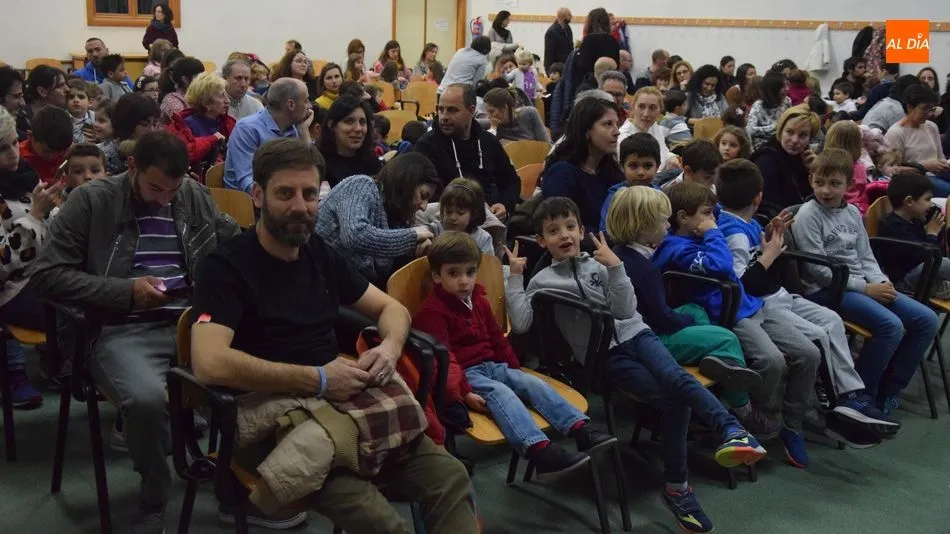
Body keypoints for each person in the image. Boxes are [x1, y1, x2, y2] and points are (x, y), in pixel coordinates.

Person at [188, 138, 478, 534]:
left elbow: (391, 309)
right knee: (380, 522)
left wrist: (390, 349)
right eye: (285, 193)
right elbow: (208, 362)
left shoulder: (318, 254)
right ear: (257, 195)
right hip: (271, 420)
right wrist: (319, 379)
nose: (300, 206)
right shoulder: (225, 267)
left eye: (309, 194)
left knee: (451, 478)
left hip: (343, 406)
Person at [507, 196, 767, 534]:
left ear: (582, 230)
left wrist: (616, 268)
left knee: (676, 379)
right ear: (542, 240)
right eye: (553, 231)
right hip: (605, 358)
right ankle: (682, 484)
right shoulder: (542, 280)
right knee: (675, 399)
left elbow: (626, 310)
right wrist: (515, 277)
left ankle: (730, 433)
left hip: (637, 334)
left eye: (570, 226)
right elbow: (522, 323)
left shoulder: (600, 263)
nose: (564, 235)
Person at [27, 132, 243, 534]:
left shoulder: (192, 195)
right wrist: (124, 292)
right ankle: (154, 495)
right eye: (155, 188)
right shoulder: (91, 201)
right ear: (131, 167)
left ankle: (238, 479)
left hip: (194, 324)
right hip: (121, 327)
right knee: (146, 401)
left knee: (260, 369)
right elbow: (47, 276)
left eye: (173, 190)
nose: (164, 199)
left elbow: (236, 246)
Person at [716, 159, 898, 440]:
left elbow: (757, 263)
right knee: (818, 335)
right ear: (758, 197)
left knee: (832, 319)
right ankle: (835, 405)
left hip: (776, 295)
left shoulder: (747, 223)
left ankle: (852, 394)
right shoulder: (734, 233)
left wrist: (769, 237)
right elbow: (743, 283)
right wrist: (769, 254)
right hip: (760, 304)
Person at [653, 181, 824, 467]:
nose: (713, 218)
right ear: (682, 218)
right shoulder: (676, 248)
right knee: (771, 361)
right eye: (706, 213)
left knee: (809, 353)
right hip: (730, 314)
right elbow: (722, 265)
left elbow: (722, 219)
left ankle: (791, 425)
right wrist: (712, 231)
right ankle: (752, 416)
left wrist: (763, 232)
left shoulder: (703, 232)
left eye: (713, 212)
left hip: (753, 304)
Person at [414, 231, 613, 476]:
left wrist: (515, 369)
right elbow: (445, 361)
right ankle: (539, 451)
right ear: (436, 276)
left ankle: (580, 429)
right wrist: (465, 394)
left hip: (492, 365)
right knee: (502, 393)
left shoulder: (479, 299)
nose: (464, 281)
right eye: (453, 273)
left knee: (532, 383)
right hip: (467, 374)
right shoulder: (432, 312)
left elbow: (497, 338)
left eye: (470, 272)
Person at [607, 185, 777, 442]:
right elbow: (662, 319)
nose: (668, 224)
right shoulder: (643, 268)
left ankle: (715, 359)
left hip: (647, 325)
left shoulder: (624, 253)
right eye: (663, 219)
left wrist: (689, 319)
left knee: (696, 310)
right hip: (650, 337)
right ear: (644, 226)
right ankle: (743, 409)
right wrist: (686, 322)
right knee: (727, 338)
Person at [792, 148, 939, 417]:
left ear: (849, 185)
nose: (825, 190)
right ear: (810, 180)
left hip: (860, 284)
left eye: (834, 183)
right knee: (890, 326)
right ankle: (861, 394)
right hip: (826, 290)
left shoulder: (851, 213)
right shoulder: (808, 215)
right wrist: (867, 288)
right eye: (819, 182)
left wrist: (881, 281)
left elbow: (865, 256)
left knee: (926, 320)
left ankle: (889, 388)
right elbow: (819, 272)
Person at [0, 107, 63, 409]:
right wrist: (35, 216)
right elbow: (3, 264)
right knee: (78, 310)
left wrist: (61, 211)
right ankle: (15, 371)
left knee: (101, 292)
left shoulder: (24, 175)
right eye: (2, 148)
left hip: (44, 273)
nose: (14, 154)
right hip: (11, 288)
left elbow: (51, 225)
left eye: (14, 142)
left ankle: (79, 364)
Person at [316, 153, 437, 286]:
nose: (424, 207)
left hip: (342, 284)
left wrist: (415, 250)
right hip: (318, 277)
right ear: (407, 182)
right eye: (423, 195)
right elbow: (355, 236)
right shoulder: (361, 184)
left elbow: (381, 269)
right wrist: (412, 236)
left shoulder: (395, 216)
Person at [414, 83, 520, 223]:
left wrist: (504, 205)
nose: (444, 116)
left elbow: (511, 181)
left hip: (485, 219)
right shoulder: (426, 145)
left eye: (452, 110)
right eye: (441, 109)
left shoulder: (488, 142)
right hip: (444, 220)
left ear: (471, 110)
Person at [541, 97, 623, 231]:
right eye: (608, 124)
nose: (617, 132)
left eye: (617, 124)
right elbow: (561, 228)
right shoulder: (562, 174)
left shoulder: (610, 171)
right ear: (586, 130)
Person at [225, 78, 313, 193]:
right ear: (291, 104)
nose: (309, 106)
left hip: (280, 192)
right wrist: (282, 196)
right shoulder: (247, 129)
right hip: (245, 200)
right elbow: (247, 182)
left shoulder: (293, 128)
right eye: (306, 101)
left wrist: (303, 131)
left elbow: (308, 169)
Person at [880, 172, 950, 298]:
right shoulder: (894, 227)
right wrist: (932, 233)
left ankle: (941, 288)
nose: (931, 204)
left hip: (922, 273)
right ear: (909, 201)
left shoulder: (914, 220)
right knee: (943, 263)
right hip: (903, 281)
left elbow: (938, 250)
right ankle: (940, 288)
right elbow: (925, 256)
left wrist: (936, 227)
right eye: (927, 199)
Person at [751, 105, 820, 217]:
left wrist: (814, 172)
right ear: (780, 131)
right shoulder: (766, 160)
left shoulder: (802, 159)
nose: (795, 140)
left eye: (803, 135)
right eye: (789, 132)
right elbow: (768, 209)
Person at [165, 72, 235, 174]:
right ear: (206, 103)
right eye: (221, 96)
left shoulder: (227, 123)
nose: (227, 101)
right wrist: (213, 139)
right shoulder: (188, 124)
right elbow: (186, 154)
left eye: (226, 95)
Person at [884, 85, 950, 192]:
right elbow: (891, 170)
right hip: (914, 181)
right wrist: (923, 166)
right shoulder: (896, 133)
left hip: (936, 175)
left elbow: (940, 157)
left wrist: (944, 164)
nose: (928, 113)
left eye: (931, 109)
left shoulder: (931, 127)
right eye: (924, 109)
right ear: (910, 107)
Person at [598, 133, 661, 231]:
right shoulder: (615, 198)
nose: (640, 172)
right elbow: (606, 231)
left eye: (647, 166)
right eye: (633, 166)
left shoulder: (659, 194)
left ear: (657, 167)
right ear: (622, 167)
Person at [318, 94, 381, 188]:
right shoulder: (319, 164)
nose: (358, 128)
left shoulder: (372, 162)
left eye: (362, 122)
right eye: (349, 121)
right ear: (331, 125)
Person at [423, 178, 495, 255]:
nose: (453, 217)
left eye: (460, 213)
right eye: (448, 212)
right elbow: (420, 231)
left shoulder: (483, 238)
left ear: (473, 213)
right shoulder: (435, 229)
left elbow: (488, 262)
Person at [619, 86, 682, 172]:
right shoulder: (623, 137)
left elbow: (664, 152)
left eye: (652, 108)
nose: (646, 114)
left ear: (660, 111)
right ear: (633, 107)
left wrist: (671, 157)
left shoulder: (654, 126)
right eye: (641, 106)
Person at [572, 8, 620, 95]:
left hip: (591, 83)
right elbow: (617, 64)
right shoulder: (612, 40)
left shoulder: (588, 40)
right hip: (609, 82)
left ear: (590, 23)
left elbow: (583, 65)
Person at [19, 105, 71, 184]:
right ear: (30, 136)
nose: (53, 156)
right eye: (47, 151)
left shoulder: (69, 152)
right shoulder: (18, 159)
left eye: (59, 152)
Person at [483, 87, 549, 143]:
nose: (489, 116)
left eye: (492, 111)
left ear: (504, 108)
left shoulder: (529, 114)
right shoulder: (492, 124)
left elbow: (547, 145)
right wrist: (493, 128)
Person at [746, 71, 792, 150]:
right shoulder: (758, 106)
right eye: (783, 87)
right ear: (774, 89)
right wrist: (775, 127)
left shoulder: (787, 101)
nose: (787, 89)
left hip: (784, 144)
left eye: (787, 85)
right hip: (764, 147)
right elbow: (749, 130)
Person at [159, 57, 204, 126]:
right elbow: (187, 125)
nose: (203, 81)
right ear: (185, 79)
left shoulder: (198, 96)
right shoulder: (171, 100)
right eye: (199, 78)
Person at [544, 8, 573, 72]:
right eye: (569, 15)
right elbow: (549, 54)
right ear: (562, 16)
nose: (571, 16)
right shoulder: (552, 32)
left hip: (567, 66)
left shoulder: (568, 28)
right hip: (557, 68)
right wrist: (549, 71)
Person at [66, 79, 95, 143]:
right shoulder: (63, 118)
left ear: (90, 102)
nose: (76, 100)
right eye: (71, 97)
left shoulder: (95, 117)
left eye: (81, 97)